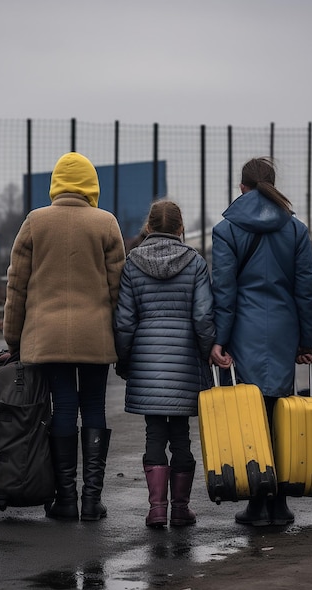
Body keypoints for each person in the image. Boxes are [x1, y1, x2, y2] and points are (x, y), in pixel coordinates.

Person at [3, 151, 126, 522]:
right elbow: (119, 289)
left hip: (47, 338)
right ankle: (92, 501)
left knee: (62, 408)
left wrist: (14, 340)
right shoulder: (106, 223)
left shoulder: (34, 222)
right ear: (92, 186)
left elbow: (16, 286)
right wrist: (122, 343)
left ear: (56, 184)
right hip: (96, 338)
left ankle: (66, 500)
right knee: (93, 408)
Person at [210, 157, 312, 527]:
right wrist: (308, 339)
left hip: (245, 329)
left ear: (241, 187)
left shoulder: (227, 230)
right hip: (285, 330)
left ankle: (257, 504)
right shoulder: (295, 230)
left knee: (253, 414)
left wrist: (219, 340)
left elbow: (224, 290)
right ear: (272, 185)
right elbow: (307, 290)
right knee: (282, 411)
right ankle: (281, 504)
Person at [114, 199, 215, 528]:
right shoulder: (196, 263)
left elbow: (125, 322)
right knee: (182, 437)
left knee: (154, 435)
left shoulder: (132, 263)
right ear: (180, 228)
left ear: (149, 227)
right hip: (185, 361)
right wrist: (204, 354)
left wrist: (125, 360)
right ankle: (181, 509)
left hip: (146, 361)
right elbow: (202, 318)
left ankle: (157, 509)